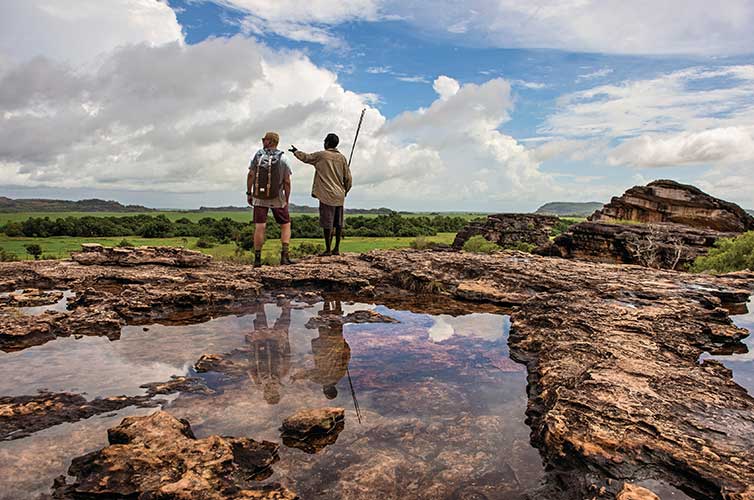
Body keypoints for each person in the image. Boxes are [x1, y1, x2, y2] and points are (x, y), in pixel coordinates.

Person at [289, 133, 352, 256]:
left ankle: (328, 249)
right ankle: (337, 249)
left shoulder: (321, 155)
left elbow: (306, 157)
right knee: (338, 223)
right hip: (339, 195)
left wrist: (296, 151)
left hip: (326, 195)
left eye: (325, 141)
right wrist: (345, 191)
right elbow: (348, 178)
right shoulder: (342, 158)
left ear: (327, 143)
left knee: (327, 223)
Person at [247, 131, 294, 268]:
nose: (262, 141)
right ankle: (284, 257)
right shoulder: (284, 159)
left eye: (264, 139)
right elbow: (287, 181)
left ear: (271, 141)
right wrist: (287, 198)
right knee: (285, 224)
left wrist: (249, 193)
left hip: (259, 197)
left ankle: (257, 260)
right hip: (277, 196)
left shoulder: (258, 156)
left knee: (260, 225)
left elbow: (250, 175)